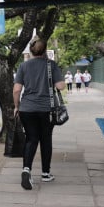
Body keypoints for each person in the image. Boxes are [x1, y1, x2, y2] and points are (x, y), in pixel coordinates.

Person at [13, 38, 66, 190]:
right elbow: (61, 86)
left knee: (31, 139)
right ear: (45, 50)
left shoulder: (23, 66)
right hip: (46, 110)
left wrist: (17, 106)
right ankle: (45, 173)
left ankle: (26, 170)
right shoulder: (51, 65)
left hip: (27, 109)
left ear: (31, 50)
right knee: (46, 140)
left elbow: (16, 90)